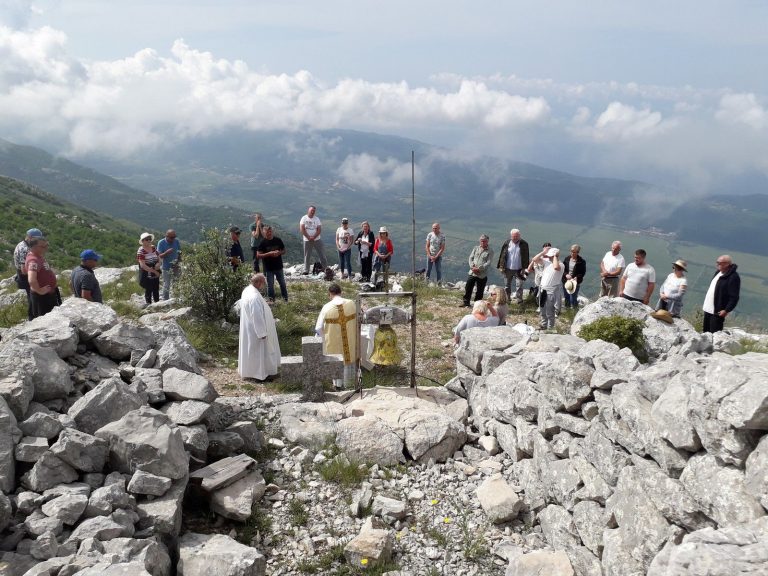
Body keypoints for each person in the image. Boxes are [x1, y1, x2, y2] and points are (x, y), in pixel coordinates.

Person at [238, 273, 280, 381]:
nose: (264, 285)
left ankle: (251, 372)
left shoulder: (247, 290)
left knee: (251, 352)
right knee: (260, 353)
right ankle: (261, 375)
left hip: (250, 328)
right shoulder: (254, 296)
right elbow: (256, 315)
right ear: (258, 282)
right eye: (263, 283)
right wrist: (262, 333)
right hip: (256, 331)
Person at [315, 283, 357, 389]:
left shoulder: (327, 307)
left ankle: (338, 385)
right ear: (341, 292)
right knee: (348, 359)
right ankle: (350, 383)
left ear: (330, 294)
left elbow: (318, 328)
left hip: (334, 341)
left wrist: (324, 337)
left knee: (336, 359)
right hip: (349, 339)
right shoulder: (351, 303)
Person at [702, 255, 741, 333]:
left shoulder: (733, 277)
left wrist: (726, 310)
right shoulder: (718, 273)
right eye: (717, 262)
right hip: (708, 309)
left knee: (714, 334)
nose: (717, 264)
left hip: (717, 312)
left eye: (720, 263)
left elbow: (734, 297)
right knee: (705, 333)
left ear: (727, 264)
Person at [13, 228, 44, 320]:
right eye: (36, 238)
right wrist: (36, 273)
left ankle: (34, 315)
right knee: (33, 297)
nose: (38, 241)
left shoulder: (22, 244)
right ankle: (33, 317)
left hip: (24, 275)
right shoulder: (24, 249)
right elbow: (24, 269)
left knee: (32, 296)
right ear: (30, 237)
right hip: (25, 276)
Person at [25, 237, 59, 318]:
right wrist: (39, 291)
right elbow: (31, 279)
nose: (46, 248)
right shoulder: (33, 260)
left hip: (48, 294)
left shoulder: (38, 256)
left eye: (46, 245)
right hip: (42, 298)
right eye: (42, 246)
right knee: (46, 319)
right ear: (33, 247)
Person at [529, 246, 563, 330]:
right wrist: (543, 253)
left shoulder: (561, 265)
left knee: (549, 312)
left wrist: (555, 256)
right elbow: (534, 259)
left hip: (551, 291)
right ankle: (544, 325)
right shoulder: (547, 263)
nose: (549, 257)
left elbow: (556, 267)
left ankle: (550, 328)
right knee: (542, 309)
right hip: (543, 289)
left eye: (550, 256)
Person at [497, 229, 530, 303]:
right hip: (508, 268)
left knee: (519, 285)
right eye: (513, 236)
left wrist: (524, 268)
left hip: (519, 269)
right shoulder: (507, 242)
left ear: (519, 236)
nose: (515, 238)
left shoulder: (524, 244)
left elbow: (526, 256)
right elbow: (502, 254)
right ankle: (507, 299)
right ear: (511, 236)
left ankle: (519, 300)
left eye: (516, 236)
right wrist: (501, 266)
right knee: (507, 285)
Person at [256, 225, 288, 302]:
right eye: (267, 232)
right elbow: (258, 255)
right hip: (268, 268)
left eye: (270, 231)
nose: (269, 233)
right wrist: (269, 254)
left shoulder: (278, 240)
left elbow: (284, 251)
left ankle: (285, 299)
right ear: (264, 232)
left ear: (272, 231)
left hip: (278, 267)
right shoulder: (262, 243)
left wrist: (279, 253)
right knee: (270, 286)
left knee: (283, 284)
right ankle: (271, 301)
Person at [462, 234, 493, 307]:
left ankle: (477, 305)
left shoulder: (490, 251)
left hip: (482, 274)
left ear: (487, 241)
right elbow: (470, 258)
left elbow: (488, 262)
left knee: (480, 291)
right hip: (472, 272)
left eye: (484, 241)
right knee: (468, 287)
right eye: (481, 241)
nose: (482, 242)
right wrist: (472, 267)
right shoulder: (476, 248)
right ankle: (466, 302)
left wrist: (479, 268)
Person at [299, 205, 328, 274]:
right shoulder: (304, 218)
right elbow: (302, 229)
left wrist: (313, 237)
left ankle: (325, 268)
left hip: (317, 239)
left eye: (314, 211)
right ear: (308, 210)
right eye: (311, 210)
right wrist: (308, 237)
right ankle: (306, 270)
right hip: (307, 239)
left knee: (322, 254)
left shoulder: (317, 219)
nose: (312, 212)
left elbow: (319, 229)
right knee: (307, 255)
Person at [137, 232, 162, 304]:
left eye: (149, 239)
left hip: (155, 269)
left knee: (156, 288)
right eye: (146, 239)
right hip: (147, 272)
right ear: (142, 241)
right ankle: (149, 305)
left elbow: (159, 257)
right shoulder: (141, 251)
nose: (149, 241)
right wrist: (155, 272)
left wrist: (159, 263)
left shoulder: (153, 247)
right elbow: (143, 265)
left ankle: (157, 304)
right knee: (149, 289)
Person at [157, 229, 181, 301]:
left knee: (176, 283)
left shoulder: (176, 241)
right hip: (166, 267)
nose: (173, 239)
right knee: (167, 284)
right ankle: (165, 300)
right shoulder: (161, 242)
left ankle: (176, 299)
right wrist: (166, 253)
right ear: (166, 236)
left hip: (176, 266)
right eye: (171, 237)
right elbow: (159, 256)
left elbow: (179, 252)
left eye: (174, 237)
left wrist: (179, 261)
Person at [527, 242, 551, 312]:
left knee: (545, 293)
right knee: (539, 293)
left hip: (547, 279)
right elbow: (529, 268)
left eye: (549, 248)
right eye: (546, 248)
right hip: (538, 278)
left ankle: (544, 306)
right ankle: (540, 306)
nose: (547, 249)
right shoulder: (539, 257)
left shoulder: (551, 258)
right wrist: (543, 253)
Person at [562, 244, 587, 309]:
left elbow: (583, 272)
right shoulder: (567, 259)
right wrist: (566, 274)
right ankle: (567, 310)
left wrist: (577, 277)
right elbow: (563, 269)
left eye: (574, 252)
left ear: (578, 252)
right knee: (566, 296)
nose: (572, 253)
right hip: (566, 281)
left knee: (573, 297)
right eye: (571, 251)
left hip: (575, 282)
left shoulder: (581, 261)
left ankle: (574, 311)